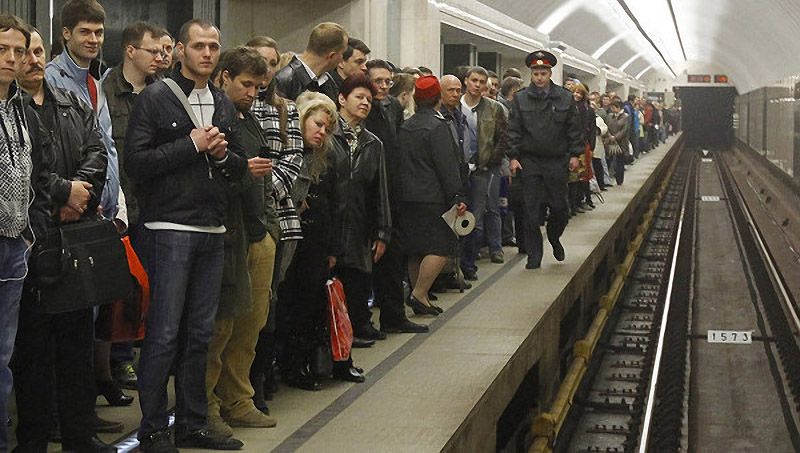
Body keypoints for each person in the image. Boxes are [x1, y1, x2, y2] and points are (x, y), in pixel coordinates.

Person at [125, 19, 247, 452]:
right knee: (163, 334)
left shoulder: (222, 101)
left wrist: (223, 154)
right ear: (180, 50)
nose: (208, 53)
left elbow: (238, 169)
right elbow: (135, 163)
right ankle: (154, 429)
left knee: (200, 334)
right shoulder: (156, 98)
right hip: (169, 227)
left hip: (213, 227)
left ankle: (192, 423)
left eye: (214, 45)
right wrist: (191, 146)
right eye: (199, 46)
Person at [13, 22, 117, 453]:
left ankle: (79, 433)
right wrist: (61, 192)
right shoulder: (12, 109)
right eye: (26, 53)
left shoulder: (71, 99)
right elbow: (25, 172)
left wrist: (79, 192)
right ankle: (34, 436)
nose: (34, 60)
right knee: (32, 349)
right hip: (33, 238)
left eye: (38, 52)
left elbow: (98, 151)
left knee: (77, 343)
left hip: (75, 233)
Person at [204, 46, 280, 438]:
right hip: (226, 235)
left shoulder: (249, 122)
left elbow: (264, 177)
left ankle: (238, 398)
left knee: (251, 326)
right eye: (246, 84)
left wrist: (270, 229)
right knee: (219, 327)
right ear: (224, 78)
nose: (252, 92)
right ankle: (207, 404)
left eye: (258, 87)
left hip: (257, 231)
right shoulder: (213, 119)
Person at [245, 35, 307, 409]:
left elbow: (293, 156)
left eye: (271, 63)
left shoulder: (285, 109)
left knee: (268, 302)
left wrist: (264, 192)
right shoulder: (234, 105)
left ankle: (260, 378)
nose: (266, 70)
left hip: (278, 217)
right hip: (239, 217)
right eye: (259, 61)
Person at [103, 20, 164, 392]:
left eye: (162, 52)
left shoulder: (162, 93)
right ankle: (118, 360)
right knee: (119, 288)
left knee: (150, 287)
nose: (160, 58)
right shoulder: (105, 91)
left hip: (157, 206)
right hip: (122, 208)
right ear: (130, 51)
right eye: (152, 51)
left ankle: (141, 356)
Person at [0, 15, 52, 452]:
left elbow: (33, 173)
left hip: (15, 241)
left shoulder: (19, 105)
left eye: (18, 51)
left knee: (3, 358)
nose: (12, 59)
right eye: (2, 50)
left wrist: (27, 235)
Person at [279, 91, 341, 391]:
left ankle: (297, 364)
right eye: (317, 124)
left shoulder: (323, 160)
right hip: (287, 238)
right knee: (283, 304)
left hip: (314, 240)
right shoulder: (287, 155)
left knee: (307, 304)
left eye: (327, 129)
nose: (321, 132)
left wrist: (332, 249)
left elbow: (332, 204)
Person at [331, 73, 391, 367]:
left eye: (369, 99)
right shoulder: (328, 135)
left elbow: (379, 189)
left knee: (356, 281)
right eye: (359, 97)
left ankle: (350, 337)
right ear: (342, 99)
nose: (365, 102)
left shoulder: (372, 143)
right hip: (331, 225)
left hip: (359, 224)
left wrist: (382, 231)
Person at [364, 59, 427, 335]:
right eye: (377, 81)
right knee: (369, 257)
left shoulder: (392, 107)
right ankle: (364, 320)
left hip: (393, 186)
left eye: (387, 81)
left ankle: (394, 314)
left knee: (395, 253)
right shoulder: (364, 108)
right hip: (368, 188)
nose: (383, 87)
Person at [506, 50, 583, 270]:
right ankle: (534, 255)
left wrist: (576, 154)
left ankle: (554, 235)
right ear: (531, 74)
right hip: (530, 161)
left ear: (550, 73)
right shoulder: (521, 99)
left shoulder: (565, 98)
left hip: (557, 160)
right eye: (536, 73)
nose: (539, 77)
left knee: (560, 208)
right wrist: (513, 157)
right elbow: (513, 130)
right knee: (530, 210)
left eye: (543, 73)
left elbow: (573, 129)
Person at [398, 75, 467, 315]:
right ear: (437, 99)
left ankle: (421, 296)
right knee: (440, 247)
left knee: (416, 249)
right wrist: (457, 196)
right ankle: (419, 293)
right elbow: (446, 166)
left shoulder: (405, 126)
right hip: (432, 197)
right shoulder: (438, 127)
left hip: (407, 196)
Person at [45, 0, 119, 220]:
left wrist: (116, 201)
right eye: (85, 32)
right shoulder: (49, 81)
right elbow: (52, 151)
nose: (93, 40)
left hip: (104, 211)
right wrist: (81, 199)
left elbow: (108, 145)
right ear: (66, 33)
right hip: (71, 209)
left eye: (99, 33)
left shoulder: (97, 81)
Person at [459, 66, 507, 280]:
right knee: (457, 216)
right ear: (466, 81)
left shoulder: (494, 108)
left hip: (482, 169)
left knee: (476, 217)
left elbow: (502, 137)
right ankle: (456, 263)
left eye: (481, 82)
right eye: (474, 80)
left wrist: (491, 160)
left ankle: (469, 263)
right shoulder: (455, 106)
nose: (477, 85)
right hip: (459, 170)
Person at [274, 22, 348, 102]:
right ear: (332, 56)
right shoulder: (283, 81)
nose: (342, 59)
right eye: (342, 54)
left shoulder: (330, 82)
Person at [605, 99, 630, 186]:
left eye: (614, 108)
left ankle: (619, 179)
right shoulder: (609, 116)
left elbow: (624, 130)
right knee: (610, 159)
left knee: (620, 161)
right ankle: (610, 177)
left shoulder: (625, 117)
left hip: (621, 142)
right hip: (611, 142)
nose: (612, 109)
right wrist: (609, 136)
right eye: (612, 108)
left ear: (619, 108)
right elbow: (606, 126)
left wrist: (615, 137)